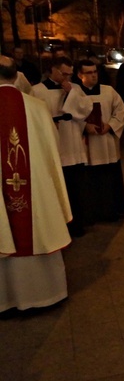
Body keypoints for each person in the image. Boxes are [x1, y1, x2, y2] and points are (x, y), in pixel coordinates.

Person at [0, 55, 73, 313]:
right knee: (40, 227)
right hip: (36, 190)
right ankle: (45, 294)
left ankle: (6, 299)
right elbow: (52, 152)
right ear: (15, 75)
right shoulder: (37, 107)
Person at [63, 59, 124, 223]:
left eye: (95, 72)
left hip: (106, 143)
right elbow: (69, 115)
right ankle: (90, 214)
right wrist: (85, 126)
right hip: (86, 144)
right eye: (89, 73)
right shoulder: (75, 94)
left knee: (108, 180)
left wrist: (110, 125)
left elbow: (121, 111)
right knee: (88, 181)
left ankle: (111, 211)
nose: (93, 76)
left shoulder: (108, 91)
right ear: (80, 75)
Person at [31, 56, 86, 237]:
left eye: (70, 74)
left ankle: (76, 224)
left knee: (75, 187)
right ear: (53, 70)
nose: (67, 78)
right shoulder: (37, 91)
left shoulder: (75, 88)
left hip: (72, 142)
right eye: (64, 74)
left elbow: (86, 109)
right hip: (53, 144)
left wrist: (71, 94)